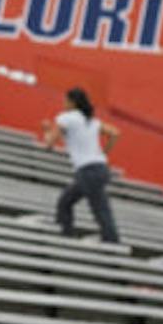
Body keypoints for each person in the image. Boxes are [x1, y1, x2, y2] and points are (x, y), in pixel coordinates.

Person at [40, 87, 120, 243]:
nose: (63, 103)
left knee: (99, 209)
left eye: (65, 100)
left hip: (87, 170)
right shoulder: (90, 119)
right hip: (100, 168)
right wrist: (103, 153)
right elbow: (115, 133)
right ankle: (66, 234)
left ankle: (111, 242)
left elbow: (49, 143)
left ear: (72, 102)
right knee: (66, 202)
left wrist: (47, 129)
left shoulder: (66, 118)